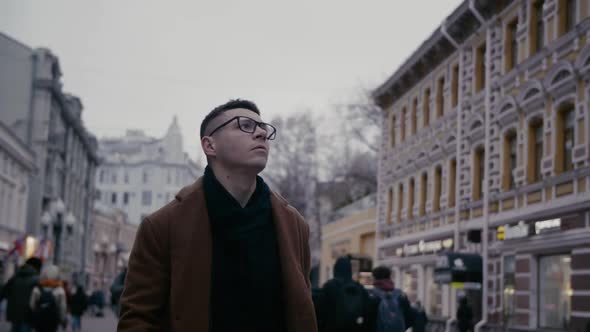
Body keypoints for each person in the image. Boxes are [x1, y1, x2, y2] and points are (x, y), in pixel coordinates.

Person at [118, 99, 317, 331]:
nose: (261, 133)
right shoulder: (163, 226)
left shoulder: (294, 225)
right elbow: (137, 320)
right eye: (245, 125)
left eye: (263, 127)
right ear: (210, 145)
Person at [316, 256, 372, 332]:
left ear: (335, 270)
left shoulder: (329, 286)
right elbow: (367, 313)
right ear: (350, 270)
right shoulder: (359, 288)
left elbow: (320, 313)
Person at [0, 257, 43, 332]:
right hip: (28, 315)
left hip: (14, 313)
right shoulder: (37, 280)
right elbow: (39, 299)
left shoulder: (16, 276)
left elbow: (4, 292)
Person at [368, 265, 414, 332]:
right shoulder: (400, 295)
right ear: (389, 277)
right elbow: (410, 318)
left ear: (374, 278)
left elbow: (368, 321)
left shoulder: (371, 295)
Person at [29, 264, 67, 332]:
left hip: (39, 320)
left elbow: (31, 305)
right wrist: (63, 320)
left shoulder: (37, 289)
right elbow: (62, 308)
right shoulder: (60, 290)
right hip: (53, 321)